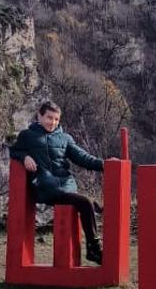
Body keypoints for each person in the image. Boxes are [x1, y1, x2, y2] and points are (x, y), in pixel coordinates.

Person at [10, 100, 106, 264]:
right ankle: (94, 248)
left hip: (66, 186)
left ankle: (93, 246)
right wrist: (25, 156)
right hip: (46, 188)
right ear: (39, 116)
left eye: (56, 119)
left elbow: (82, 157)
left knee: (85, 203)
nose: (52, 122)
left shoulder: (65, 138)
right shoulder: (27, 136)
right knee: (86, 203)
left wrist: (104, 164)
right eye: (49, 117)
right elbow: (14, 150)